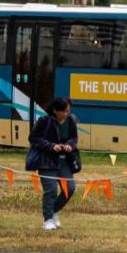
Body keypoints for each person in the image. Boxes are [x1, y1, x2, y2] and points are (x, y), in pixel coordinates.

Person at [30, 97, 81, 231]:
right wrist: (51, 146)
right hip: (46, 161)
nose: (66, 114)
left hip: (65, 161)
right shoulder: (44, 121)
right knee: (51, 190)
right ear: (55, 110)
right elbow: (33, 137)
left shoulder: (71, 120)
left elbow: (74, 138)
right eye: (63, 111)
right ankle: (47, 220)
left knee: (70, 188)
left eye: (68, 111)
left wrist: (70, 145)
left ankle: (54, 212)